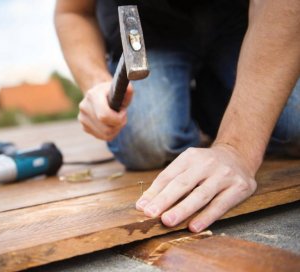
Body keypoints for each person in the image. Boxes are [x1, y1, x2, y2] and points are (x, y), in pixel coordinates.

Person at [54, 0, 300, 232]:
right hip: (153, 31)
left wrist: (237, 149)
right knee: (148, 141)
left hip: (241, 21)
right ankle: (195, 105)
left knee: (295, 123)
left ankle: (209, 99)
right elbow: (73, 11)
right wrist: (96, 83)